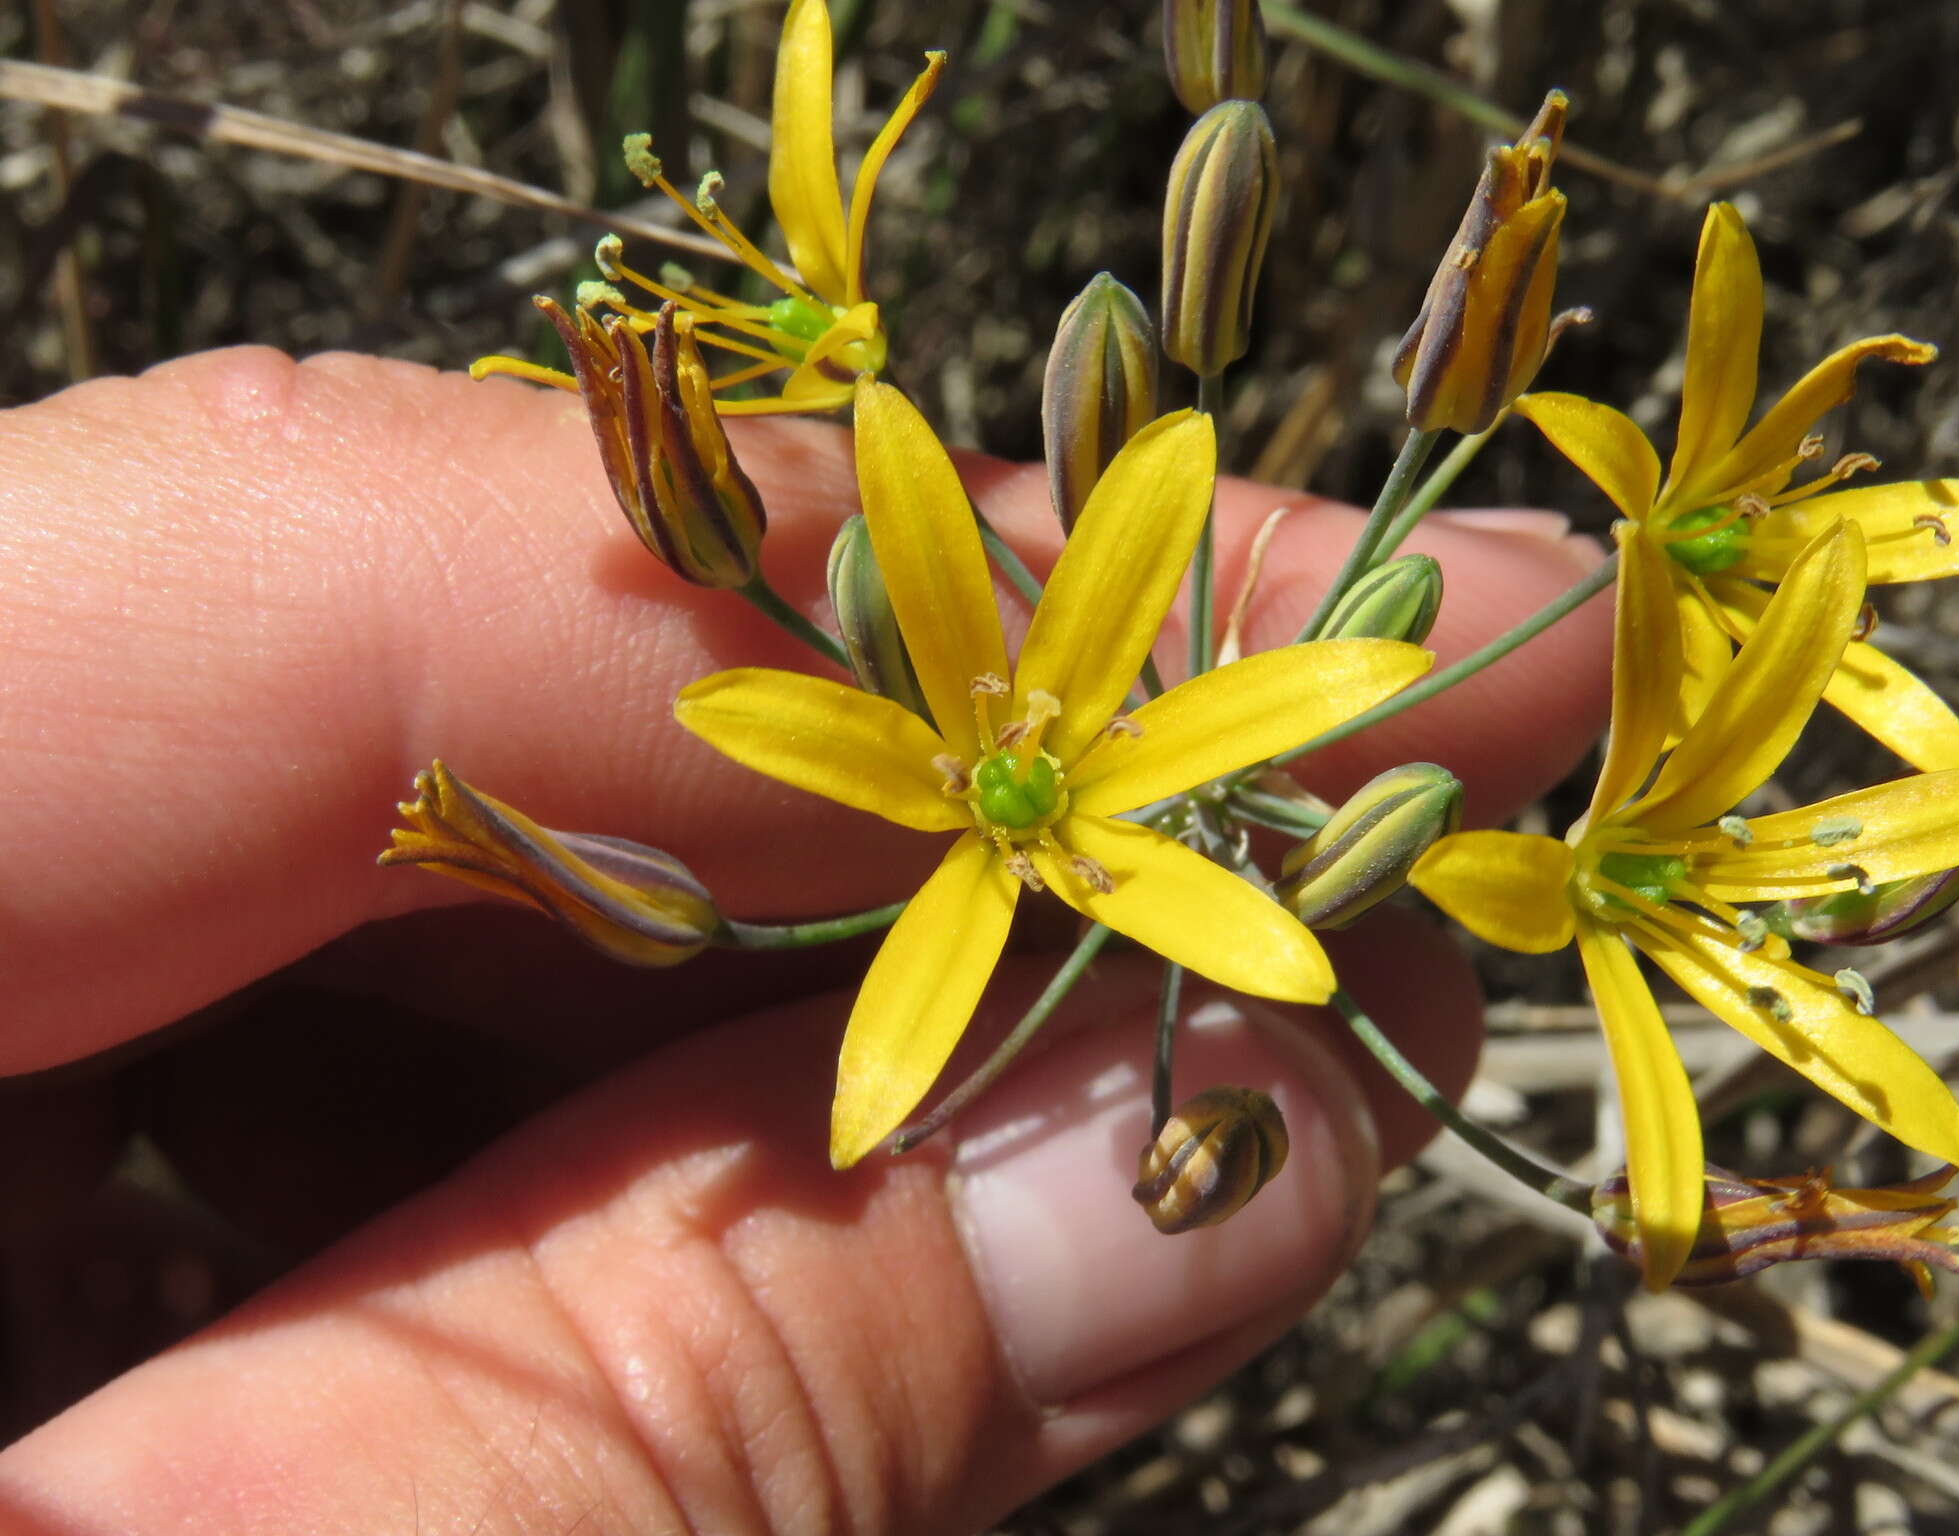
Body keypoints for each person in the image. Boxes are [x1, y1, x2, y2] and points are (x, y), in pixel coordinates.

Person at [0, 346, 1610, 1533]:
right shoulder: (926, 760)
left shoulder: (1083, 773)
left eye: (1018, 772)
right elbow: (752, 706)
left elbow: (1289, 863)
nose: (1016, 774)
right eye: (1007, 771)